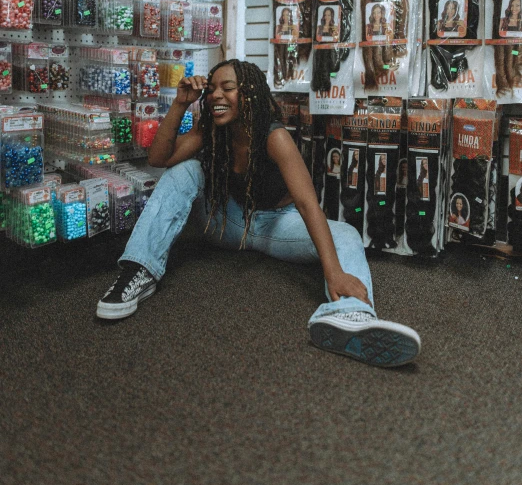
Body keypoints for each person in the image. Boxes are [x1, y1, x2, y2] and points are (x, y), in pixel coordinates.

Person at [96, 60, 421, 368]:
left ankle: (351, 315)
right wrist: (181, 103)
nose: (216, 96)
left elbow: (308, 204)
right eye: (211, 90)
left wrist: (333, 271)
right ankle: (138, 271)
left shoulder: (274, 136)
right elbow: (158, 157)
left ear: (250, 93)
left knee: (346, 234)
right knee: (186, 169)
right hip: (225, 222)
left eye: (228, 88)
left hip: (274, 225)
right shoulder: (209, 128)